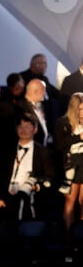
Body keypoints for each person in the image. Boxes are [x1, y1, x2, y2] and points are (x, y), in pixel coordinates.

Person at [55, 93, 83, 231]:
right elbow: (59, 145)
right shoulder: (63, 122)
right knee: (70, 201)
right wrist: (79, 137)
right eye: (81, 109)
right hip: (71, 166)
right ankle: (68, 235)